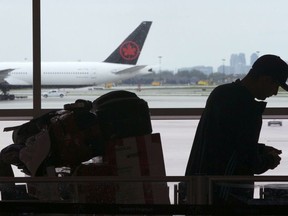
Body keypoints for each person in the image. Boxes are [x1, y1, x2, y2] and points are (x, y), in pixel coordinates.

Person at [185, 54, 287, 205]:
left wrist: (260, 149)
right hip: (226, 196)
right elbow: (249, 162)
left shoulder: (220, 93)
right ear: (265, 79)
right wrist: (270, 160)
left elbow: (225, 143)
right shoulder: (248, 108)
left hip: (200, 188)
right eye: (276, 86)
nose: (275, 93)